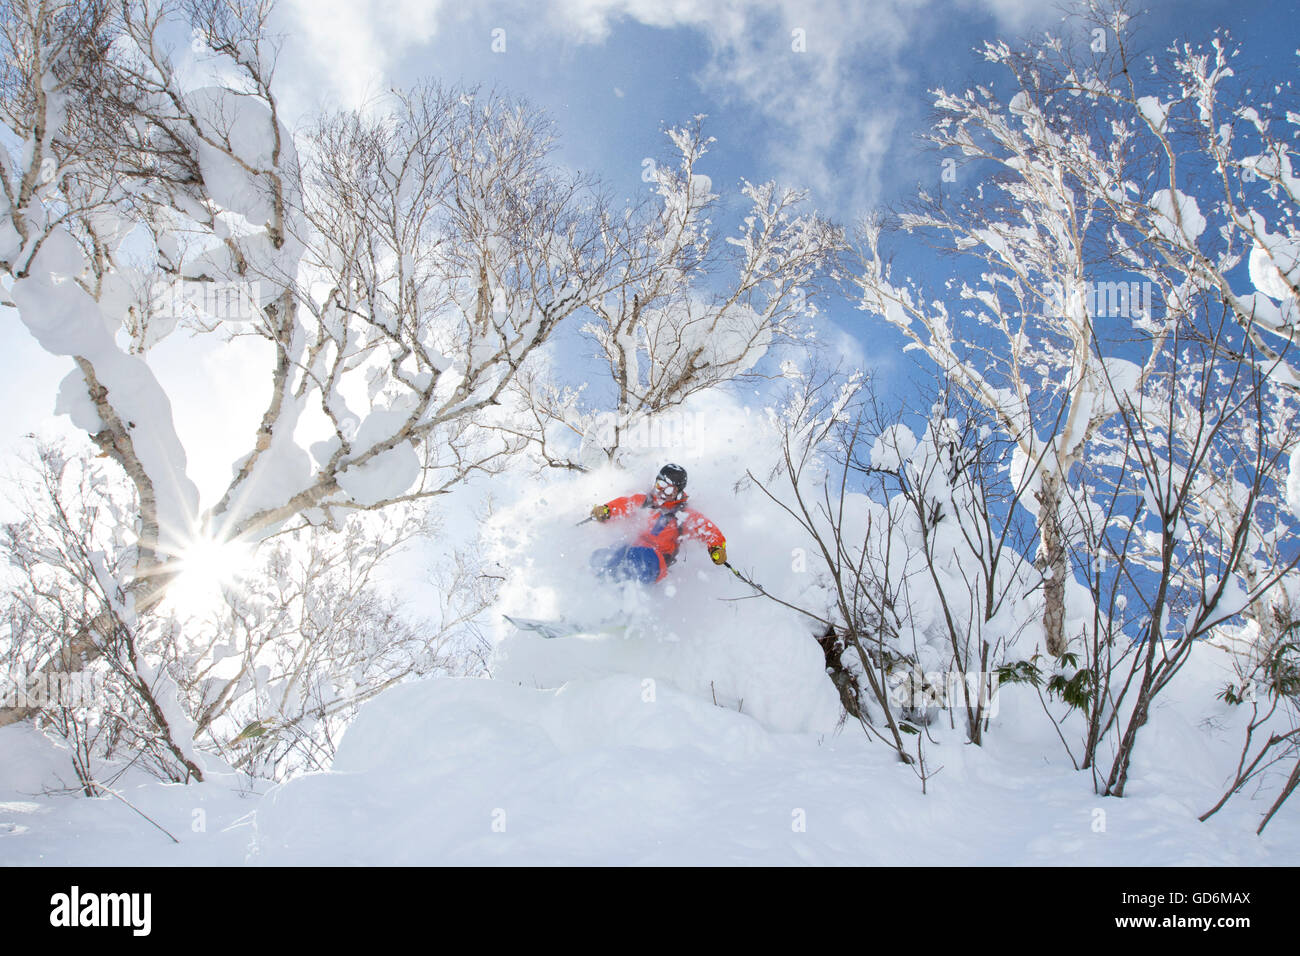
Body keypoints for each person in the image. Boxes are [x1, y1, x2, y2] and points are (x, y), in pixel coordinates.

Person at [588, 463, 727, 584]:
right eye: (659, 484)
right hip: (632, 548)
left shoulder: (684, 515)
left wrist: (717, 548)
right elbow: (625, 505)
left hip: (656, 560)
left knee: (636, 559)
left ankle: (624, 598)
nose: (661, 491)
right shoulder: (646, 501)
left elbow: (707, 529)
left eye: (668, 489)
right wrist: (606, 511)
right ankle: (595, 587)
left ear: (678, 492)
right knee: (606, 556)